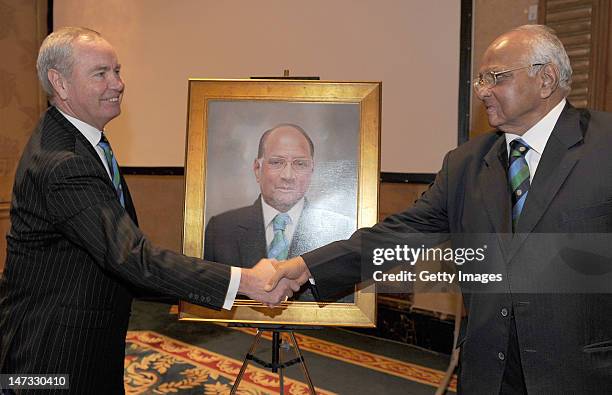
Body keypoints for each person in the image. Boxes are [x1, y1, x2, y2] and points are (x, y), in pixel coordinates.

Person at [267, 25, 612, 393]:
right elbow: (401, 233)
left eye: (495, 78)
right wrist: (305, 267)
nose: (482, 91)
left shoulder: (604, 146)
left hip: (582, 374)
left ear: (545, 79)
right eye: (480, 80)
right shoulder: (467, 163)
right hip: (490, 374)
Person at [0, 27, 298, 394]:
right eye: (101, 73)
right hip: (54, 355)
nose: (118, 83)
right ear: (59, 83)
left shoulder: (80, 139)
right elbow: (133, 258)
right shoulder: (64, 163)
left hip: (79, 337)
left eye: (117, 71)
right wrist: (246, 282)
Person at [204, 124, 355, 300]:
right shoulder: (221, 229)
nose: (288, 176)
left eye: (300, 164)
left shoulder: (342, 230)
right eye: (276, 162)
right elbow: (209, 298)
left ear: (311, 171)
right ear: (257, 169)